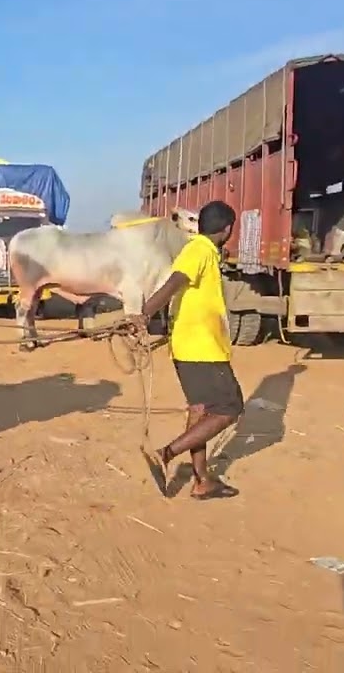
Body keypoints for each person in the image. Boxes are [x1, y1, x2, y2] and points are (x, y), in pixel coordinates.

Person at [126, 200, 244, 500]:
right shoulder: (200, 249)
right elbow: (175, 281)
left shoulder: (202, 250)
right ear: (227, 229)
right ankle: (166, 453)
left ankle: (202, 480)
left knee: (200, 409)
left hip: (189, 344)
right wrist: (145, 314)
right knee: (230, 408)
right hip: (201, 347)